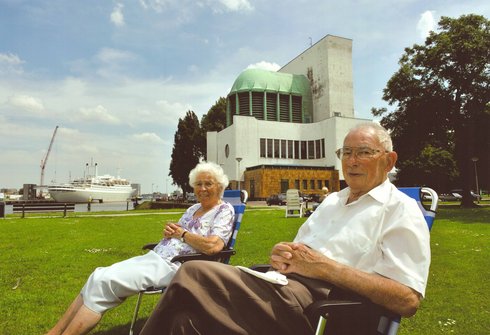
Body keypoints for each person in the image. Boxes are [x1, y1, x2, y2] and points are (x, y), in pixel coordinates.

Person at [139, 122, 431, 335]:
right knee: (186, 323)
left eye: (364, 152)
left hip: (324, 310)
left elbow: (407, 299)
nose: (352, 161)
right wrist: (282, 254)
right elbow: (298, 253)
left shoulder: (399, 209)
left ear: (389, 160)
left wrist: (325, 268)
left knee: (192, 272)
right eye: (346, 152)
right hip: (279, 287)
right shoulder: (332, 201)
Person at [46, 161, 235, 335]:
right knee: (98, 274)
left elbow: (213, 246)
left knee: (105, 282)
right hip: (157, 258)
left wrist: (182, 234)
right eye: (198, 184)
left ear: (219, 186)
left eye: (208, 184)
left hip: (179, 267)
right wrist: (172, 232)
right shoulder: (193, 209)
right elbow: (180, 235)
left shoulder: (223, 210)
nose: (202, 189)